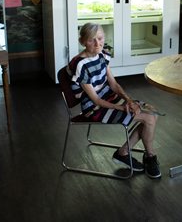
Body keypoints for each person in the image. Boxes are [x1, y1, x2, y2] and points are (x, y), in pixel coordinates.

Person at [68, 22, 161, 179]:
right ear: (82, 41)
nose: (97, 43)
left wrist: (129, 100)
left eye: (100, 38)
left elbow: (113, 83)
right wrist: (120, 107)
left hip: (108, 97)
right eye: (91, 40)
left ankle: (124, 152)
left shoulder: (103, 55)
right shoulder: (80, 65)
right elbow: (96, 100)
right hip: (94, 108)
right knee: (149, 118)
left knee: (152, 113)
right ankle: (149, 156)